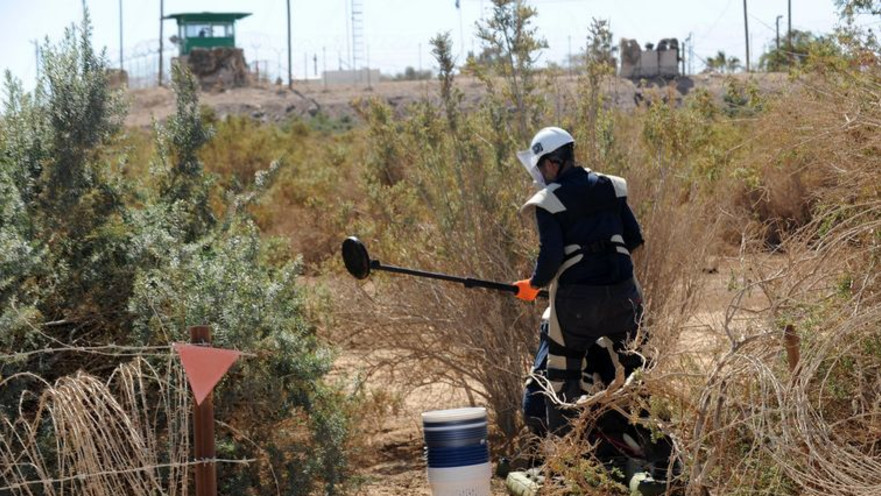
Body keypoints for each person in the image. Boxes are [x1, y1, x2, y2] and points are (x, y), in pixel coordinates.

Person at [513, 126, 646, 435]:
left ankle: (565, 463)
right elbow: (635, 238)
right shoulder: (611, 186)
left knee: (561, 382)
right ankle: (653, 449)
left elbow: (550, 258)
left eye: (541, 168)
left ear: (551, 163)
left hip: (576, 307)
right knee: (637, 371)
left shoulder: (548, 200)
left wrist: (533, 286)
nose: (541, 175)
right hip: (624, 296)